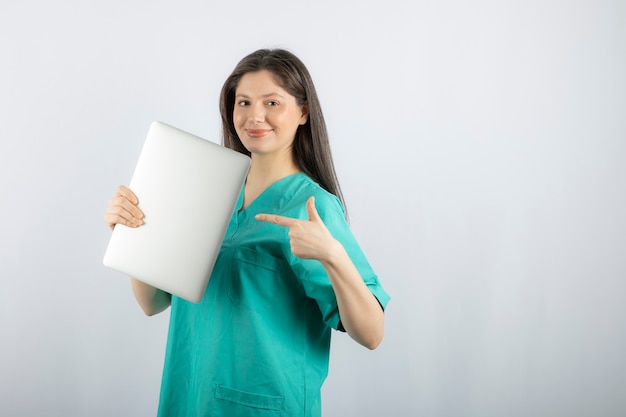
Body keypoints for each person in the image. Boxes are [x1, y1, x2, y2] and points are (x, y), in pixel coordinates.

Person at [104, 48, 390, 417]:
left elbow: (371, 334)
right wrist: (133, 232)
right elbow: (152, 303)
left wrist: (333, 256)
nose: (256, 116)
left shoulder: (312, 208)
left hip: (266, 405)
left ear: (303, 112)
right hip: (190, 396)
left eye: (273, 102)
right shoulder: (205, 190)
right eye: (244, 102)